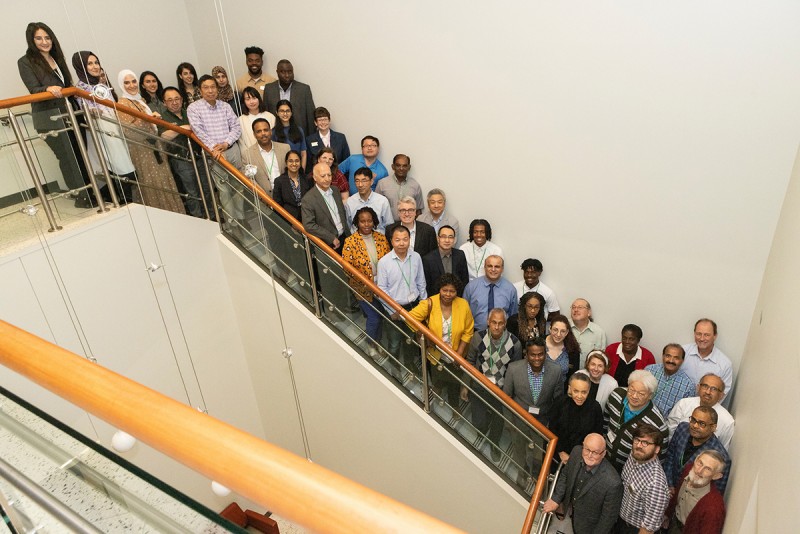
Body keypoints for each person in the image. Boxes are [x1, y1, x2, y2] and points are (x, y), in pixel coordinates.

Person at [18, 22, 90, 205]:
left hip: (70, 113)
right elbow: (34, 89)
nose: (44, 41)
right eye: (39, 38)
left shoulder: (57, 57)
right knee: (67, 156)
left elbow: (67, 85)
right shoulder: (25, 62)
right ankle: (82, 195)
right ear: (31, 41)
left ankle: (89, 190)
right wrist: (47, 88)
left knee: (80, 153)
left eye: (47, 37)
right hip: (49, 118)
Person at [116, 70, 185, 214]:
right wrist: (148, 119)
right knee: (154, 187)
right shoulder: (122, 103)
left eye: (133, 81)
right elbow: (129, 131)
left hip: (156, 149)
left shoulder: (139, 100)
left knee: (166, 184)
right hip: (143, 152)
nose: (131, 85)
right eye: (126, 82)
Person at [72, 51, 137, 204]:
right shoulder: (79, 89)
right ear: (80, 66)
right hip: (101, 131)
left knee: (124, 168)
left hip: (114, 128)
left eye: (96, 62)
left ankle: (125, 200)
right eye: (89, 63)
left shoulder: (100, 84)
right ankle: (122, 201)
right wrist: (92, 112)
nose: (95, 66)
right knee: (119, 168)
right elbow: (85, 112)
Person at [462, 308, 522, 461]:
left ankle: (494, 443)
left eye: (500, 323)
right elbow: (469, 361)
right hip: (479, 384)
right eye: (493, 322)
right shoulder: (478, 337)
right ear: (488, 322)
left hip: (501, 389)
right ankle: (483, 427)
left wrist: (511, 395)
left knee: (498, 420)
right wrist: (465, 385)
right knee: (479, 422)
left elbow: (515, 371)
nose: (496, 326)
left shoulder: (514, 343)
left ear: (505, 324)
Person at [503, 338, 564, 484]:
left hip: (543, 421)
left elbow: (558, 401)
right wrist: (509, 422)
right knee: (519, 448)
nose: (537, 358)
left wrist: (552, 424)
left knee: (539, 452)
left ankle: (537, 474)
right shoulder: (513, 369)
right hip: (519, 419)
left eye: (540, 354)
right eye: (533, 355)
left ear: (545, 353)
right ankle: (522, 472)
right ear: (526, 354)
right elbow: (506, 398)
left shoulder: (555, 371)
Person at [187, 74, 244, 230]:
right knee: (224, 190)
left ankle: (241, 218)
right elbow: (198, 131)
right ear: (200, 90)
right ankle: (232, 222)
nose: (210, 90)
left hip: (231, 149)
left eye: (213, 87)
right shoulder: (194, 108)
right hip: (214, 154)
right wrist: (214, 148)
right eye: (206, 87)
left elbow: (236, 127)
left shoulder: (225, 106)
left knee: (238, 186)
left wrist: (226, 143)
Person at [408, 273, 473, 405]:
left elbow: (468, 331)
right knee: (437, 377)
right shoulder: (430, 303)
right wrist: (425, 334)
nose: (448, 294)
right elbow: (409, 318)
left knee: (453, 383)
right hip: (434, 353)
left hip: (455, 354)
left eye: (452, 291)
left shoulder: (463, 305)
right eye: (445, 290)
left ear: (457, 292)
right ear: (439, 289)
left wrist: (458, 355)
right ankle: (437, 393)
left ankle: (455, 408)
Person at [542, 433, 622, 534]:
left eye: (595, 452)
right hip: (567, 513)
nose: (589, 455)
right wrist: (556, 499)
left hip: (586, 527)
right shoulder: (576, 452)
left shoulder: (613, 482)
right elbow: (565, 474)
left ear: (603, 454)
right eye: (587, 449)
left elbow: (607, 519)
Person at [377, 225, 426, 373]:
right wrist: (392, 310)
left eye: (405, 239)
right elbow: (381, 289)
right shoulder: (384, 262)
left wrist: (424, 303)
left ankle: (410, 364)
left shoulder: (416, 257)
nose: (402, 243)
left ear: (409, 240)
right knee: (394, 342)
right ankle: (394, 367)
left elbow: (421, 281)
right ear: (391, 241)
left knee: (410, 339)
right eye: (397, 240)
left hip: (414, 306)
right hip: (395, 308)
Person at [158, 86, 212, 218]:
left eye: (177, 99)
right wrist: (183, 128)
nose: (174, 102)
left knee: (207, 188)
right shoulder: (162, 116)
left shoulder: (190, 112)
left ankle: (212, 215)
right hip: (181, 160)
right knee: (192, 192)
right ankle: (198, 218)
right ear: (164, 102)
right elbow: (164, 136)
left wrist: (176, 128)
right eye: (170, 100)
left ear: (182, 100)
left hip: (199, 156)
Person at [343, 207, 390, 348]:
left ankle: (378, 341)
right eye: (362, 221)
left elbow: (388, 261)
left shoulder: (381, 238)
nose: (366, 224)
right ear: (357, 222)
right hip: (362, 288)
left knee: (380, 315)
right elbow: (347, 268)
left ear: (374, 221)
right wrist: (368, 283)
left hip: (382, 285)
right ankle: (371, 344)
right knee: (374, 317)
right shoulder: (350, 242)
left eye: (369, 221)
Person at [605, 370, 669, 472]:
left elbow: (658, 458)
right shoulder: (616, 396)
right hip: (604, 459)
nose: (634, 396)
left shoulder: (658, 424)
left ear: (650, 395)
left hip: (629, 471)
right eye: (631, 390)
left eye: (641, 394)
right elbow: (605, 421)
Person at [663, 406, 731, 494]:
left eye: (702, 424)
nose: (695, 426)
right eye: (693, 420)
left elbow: (715, 491)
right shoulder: (682, 428)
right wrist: (669, 484)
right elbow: (670, 456)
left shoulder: (721, 457)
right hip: (667, 489)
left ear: (713, 427)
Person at [616, 424, 670, 534]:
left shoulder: (655, 485)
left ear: (657, 449)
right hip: (620, 518)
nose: (639, 445)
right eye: (637, 440)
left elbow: (647, 530)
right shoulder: (635, 455)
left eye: (646, 443)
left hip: (633, 529)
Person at [664, 451, 727, 534]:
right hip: (673, 522)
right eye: (700, 463)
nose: (699, 471)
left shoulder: (714, 508)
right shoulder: (689, 470)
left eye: (708, 469)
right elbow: (677, 496)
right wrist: (667, 514)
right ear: (696, 460)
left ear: (716, 476)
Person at [667, 373, 734, 449]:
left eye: (714, 389)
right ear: (698, 388)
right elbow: (670, 432)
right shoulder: (683, 404)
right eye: (705, 386)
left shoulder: (727, 421)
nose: (708, 392)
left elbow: (721, 449)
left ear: (721, 395)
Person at [549, 373, 604, 464]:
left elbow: (597, 434)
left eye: (584, 392)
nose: (579, 396)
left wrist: (585, 456)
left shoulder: (595, 407)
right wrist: (560, 452)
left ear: (589, 391)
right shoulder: (560, 403)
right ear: (570, 388)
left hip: (583, 459)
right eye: (576, 391)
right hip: (558, 455)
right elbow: (552, 429)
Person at [681, 319, 734, 406]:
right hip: (678, 405)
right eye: (699, 334)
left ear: (715, 336)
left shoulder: (725, 364)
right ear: (694, 334)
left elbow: (722, 394)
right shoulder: (682, 352)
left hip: (705, 410)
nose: (702, 338)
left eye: (707, 335)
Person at [301, 162, 349, 253]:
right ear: (315, 178)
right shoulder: (308, 199)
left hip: (345, 237)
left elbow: (342, 213)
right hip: (329, 244)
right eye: (323, 176)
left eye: (329, 175)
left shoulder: (335, 190)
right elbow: (309, 225)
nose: (327, 179)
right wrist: (330, 237)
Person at [462, 255, 518, 332]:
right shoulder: (471, 287)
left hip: (501, 334)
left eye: (497, 266)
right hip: (475, 334)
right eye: (489, 266)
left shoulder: (510, 289)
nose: (493, 269)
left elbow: (513, 316)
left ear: (502, 269)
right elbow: (463, 313)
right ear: (484, 267)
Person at [263, 59, 316, 135]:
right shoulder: (269, 89)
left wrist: (311, 139)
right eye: (283, 72)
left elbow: (310, 117)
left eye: (290, 72)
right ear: (277, 72)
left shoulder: (304, 89)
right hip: (276, 135)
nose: (287, 75)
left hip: (299, 135)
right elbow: (266, 114)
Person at [645, 343, 696, 418]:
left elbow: (684, 415)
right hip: (640, 415)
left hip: (664, 425)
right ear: (663, 356)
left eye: (676, 358)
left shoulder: (688, 386)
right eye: (668, 356)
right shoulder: (649, 370)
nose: (671, 360)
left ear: (682, 360)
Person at [242, 118, 290, 194]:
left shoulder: (285, 148)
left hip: (286, 195)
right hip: (264, 198)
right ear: (254, 134)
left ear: (270, 131)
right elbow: (250, 179)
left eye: (265, 130)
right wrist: (263, 196)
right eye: (259, 131)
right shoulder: (248, 154)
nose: (263, 133)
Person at [422, 225, 469, 297]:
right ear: (438, 239)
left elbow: (465, 279)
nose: (447, 240)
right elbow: (427, 285)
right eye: (443, 237)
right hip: (437, 300)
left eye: (450, 237)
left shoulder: (460, 255)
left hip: (456, 298)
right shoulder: (428, 259)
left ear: (454, 240)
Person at [375, 154, 423, 220]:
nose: (401, 168)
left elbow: (418, 211)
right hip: (388, 227)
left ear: (409, 167)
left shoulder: (415, 185)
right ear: (393, 167)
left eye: (404, 166)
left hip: (408, 227)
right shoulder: (382, 184)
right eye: (398, 165)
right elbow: (376, 207)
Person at [345, 168, 393, 234]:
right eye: (357, 181)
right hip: (357, 241)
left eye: (364, 181)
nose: (360, 185)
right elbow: (348, 225)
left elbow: (389, 225)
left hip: (378, 240)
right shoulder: (350, 202)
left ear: (371, 181)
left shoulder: (382, 201)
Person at [272, 149, 312, 221]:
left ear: (300, 163)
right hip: (288, 220)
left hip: (307, 218)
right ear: (286, 163)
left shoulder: (307, 179)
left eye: (297, 161)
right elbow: (277, 206)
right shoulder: (279, 181)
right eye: (291, 161)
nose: (294, 164)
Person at [545, 314, 581, 386]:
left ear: (567, 332)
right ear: (550, 329)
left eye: (563, 331)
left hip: (561, 392)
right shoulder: (538, 344)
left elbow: (573, 377)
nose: (558, 334)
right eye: (555, 330)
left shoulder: (573, 350)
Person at [570, 298, 607, 367]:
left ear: (589, 312)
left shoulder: (599, 332)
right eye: (573, 307)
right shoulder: (564, 327)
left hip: (589, 375)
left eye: (580, 307)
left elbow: (602, 360)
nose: (576, 310)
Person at [272, 100, 308, 170]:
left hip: (297, 168)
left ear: (291, 113)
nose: (285, 114)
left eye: (287, 111)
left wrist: (302, 171)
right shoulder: (273, 133)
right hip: (282, 169)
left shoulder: (299, 130)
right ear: (277, 113)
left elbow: (303, 153)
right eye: (282, 111)